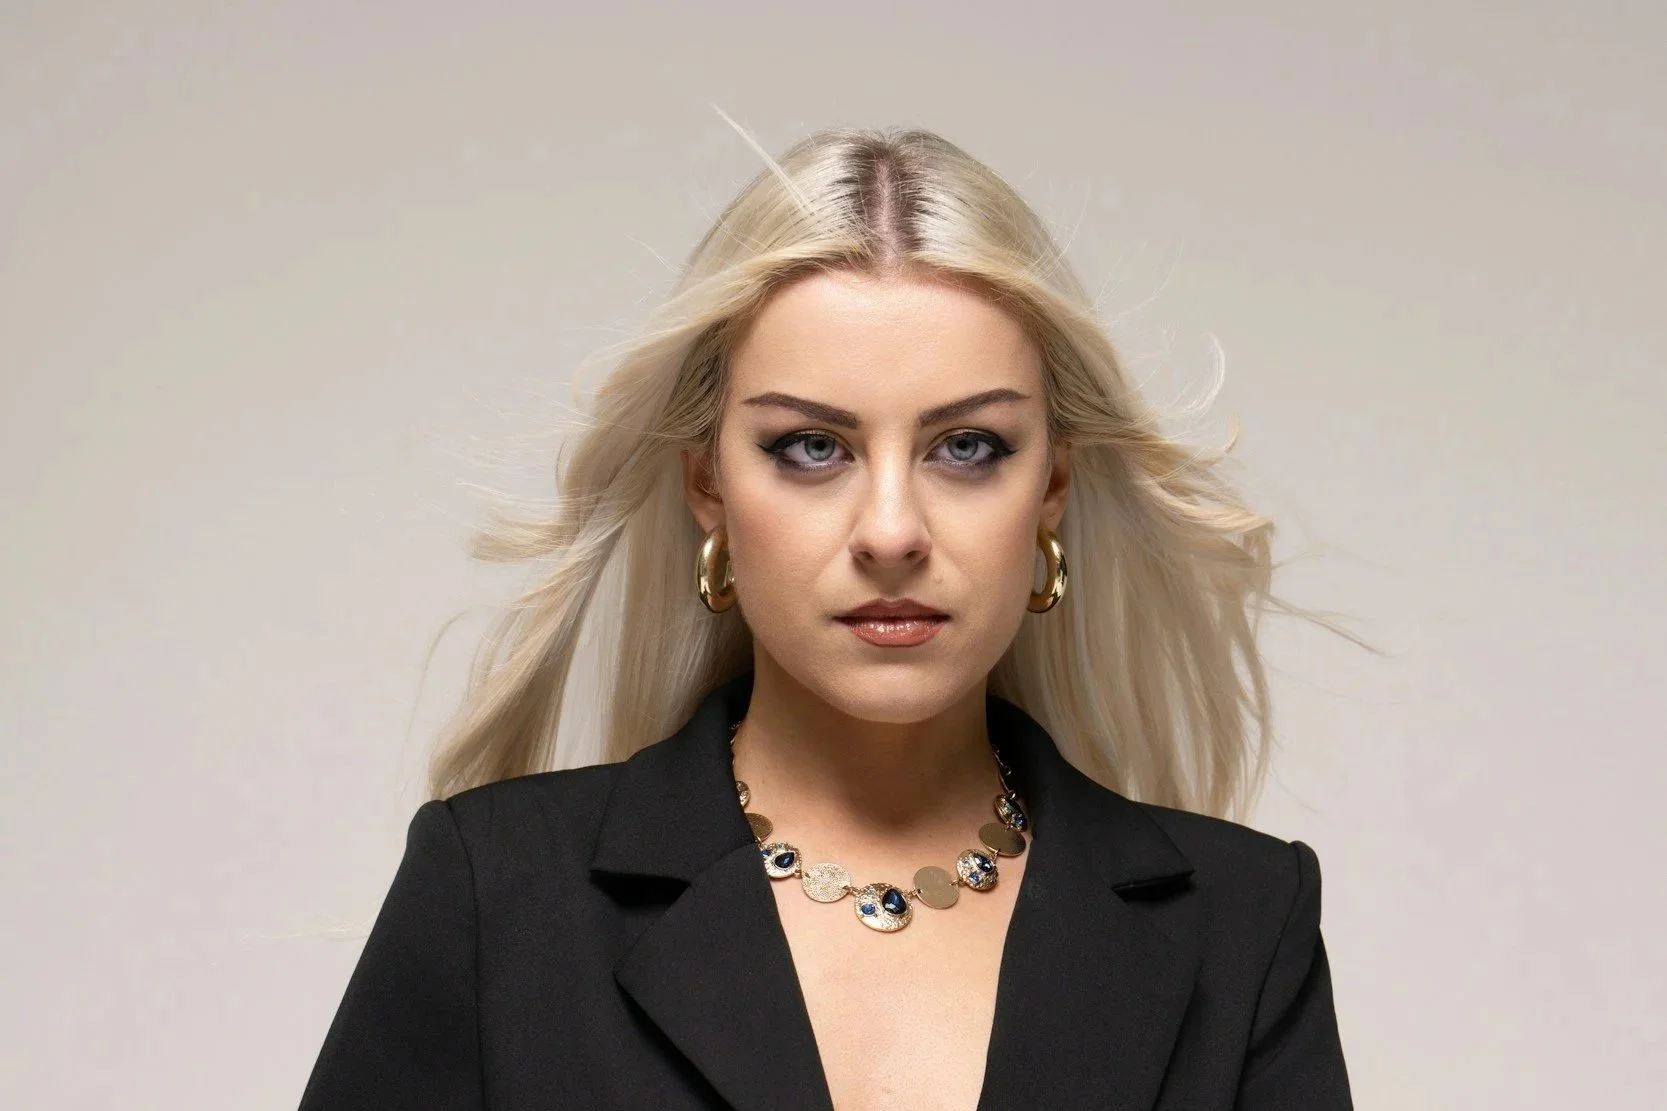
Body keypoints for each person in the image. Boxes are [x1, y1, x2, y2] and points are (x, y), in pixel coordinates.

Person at [298, 124, 1355, 1110]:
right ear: (706, 485)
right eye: (810, 447)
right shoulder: (497, 895)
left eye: (967, 447)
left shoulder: (1241, 923)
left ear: (1051, 489)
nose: (890, 530)